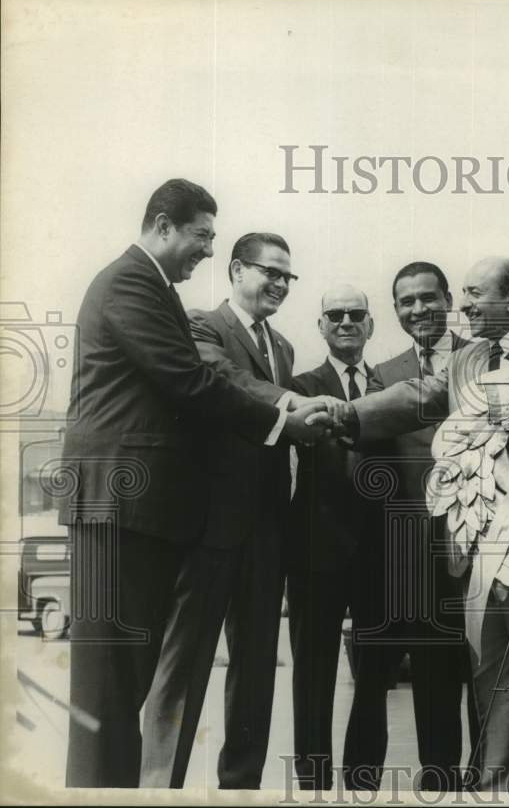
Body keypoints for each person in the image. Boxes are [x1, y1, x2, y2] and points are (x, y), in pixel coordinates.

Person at [58, 179, 329, 788]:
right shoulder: (134, 283)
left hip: (140, 514)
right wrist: (283, 420)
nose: (206, 249)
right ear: (163, 224)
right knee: (106, 695)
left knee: (120, 690)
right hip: (117, 507)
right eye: (202, 235)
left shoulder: (153, 289)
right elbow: (190, 381)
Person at [330, 257, 509, 792]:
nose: (462, 306)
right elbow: (425, 395)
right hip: (479, 549)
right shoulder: (478, 358)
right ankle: (498, 786)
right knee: (497, 677)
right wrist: (346, 415)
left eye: (471, 294)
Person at [140, 233, 305, 788]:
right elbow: (227, 384)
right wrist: (299, 406)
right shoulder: (201, 325)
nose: (280, 284)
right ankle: (159, 789)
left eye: (288, 276)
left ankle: (241, 788)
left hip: (267, 531)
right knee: (183, 668)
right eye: (270, 272)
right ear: (237, 270)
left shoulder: (284, 347)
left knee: (257, 671)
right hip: (210, 529)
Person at [364, 261, 475, 791]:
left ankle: (494, 776)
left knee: (486, 666)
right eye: (406, 302)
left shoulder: (485, 360)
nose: (418, 310)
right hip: (415, 549)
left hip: (482, 538)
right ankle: (440, 780)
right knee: (431, 674)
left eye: (428, 297)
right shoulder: (382, 375)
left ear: (449, 299)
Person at [285, 283, 385, 791]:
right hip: (314, 551)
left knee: (374, 675)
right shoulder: (297, 384)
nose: (346, 322)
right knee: (313, 671)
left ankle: (364, 780)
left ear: (371, 325)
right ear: (320, 326)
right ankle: (313, 782)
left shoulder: (391, 385)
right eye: (334, 315)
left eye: (355, 315)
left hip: (380, 553)